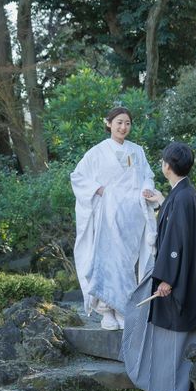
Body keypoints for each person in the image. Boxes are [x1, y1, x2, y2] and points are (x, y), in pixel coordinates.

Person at [121, 141, 196, 391]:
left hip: (177, 278)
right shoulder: (188, 193)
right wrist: (161, 202)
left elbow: (175, 242)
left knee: (177, 334)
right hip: (188, 273)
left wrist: (167, 279)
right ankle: (178, 387)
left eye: (163, 162)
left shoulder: (181, 198)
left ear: (167, 166)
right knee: (181, 332)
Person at [70, 107, 157, 330]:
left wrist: (146, 189)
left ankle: (122, 309)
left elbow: (147, 176)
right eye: (119, 122)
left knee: (126, 264)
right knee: (107, 261)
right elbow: (78, 177)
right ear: (108, 123)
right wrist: (98, 189)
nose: (123, 127)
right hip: (107, 217)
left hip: (131, 218)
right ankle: (106, 310)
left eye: (127, 123)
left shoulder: (137, 151)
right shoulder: (97, 152)